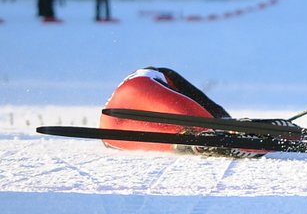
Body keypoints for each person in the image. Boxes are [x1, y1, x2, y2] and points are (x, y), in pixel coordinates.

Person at [99, 66, 290, 157]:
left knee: (184, 136)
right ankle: (212, 135)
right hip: (139, 89)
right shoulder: (159, 74)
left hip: (109, 134)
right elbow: (206, 105)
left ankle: (197, 141)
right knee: (208, 125)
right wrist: (225, 120)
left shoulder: (144, 81)